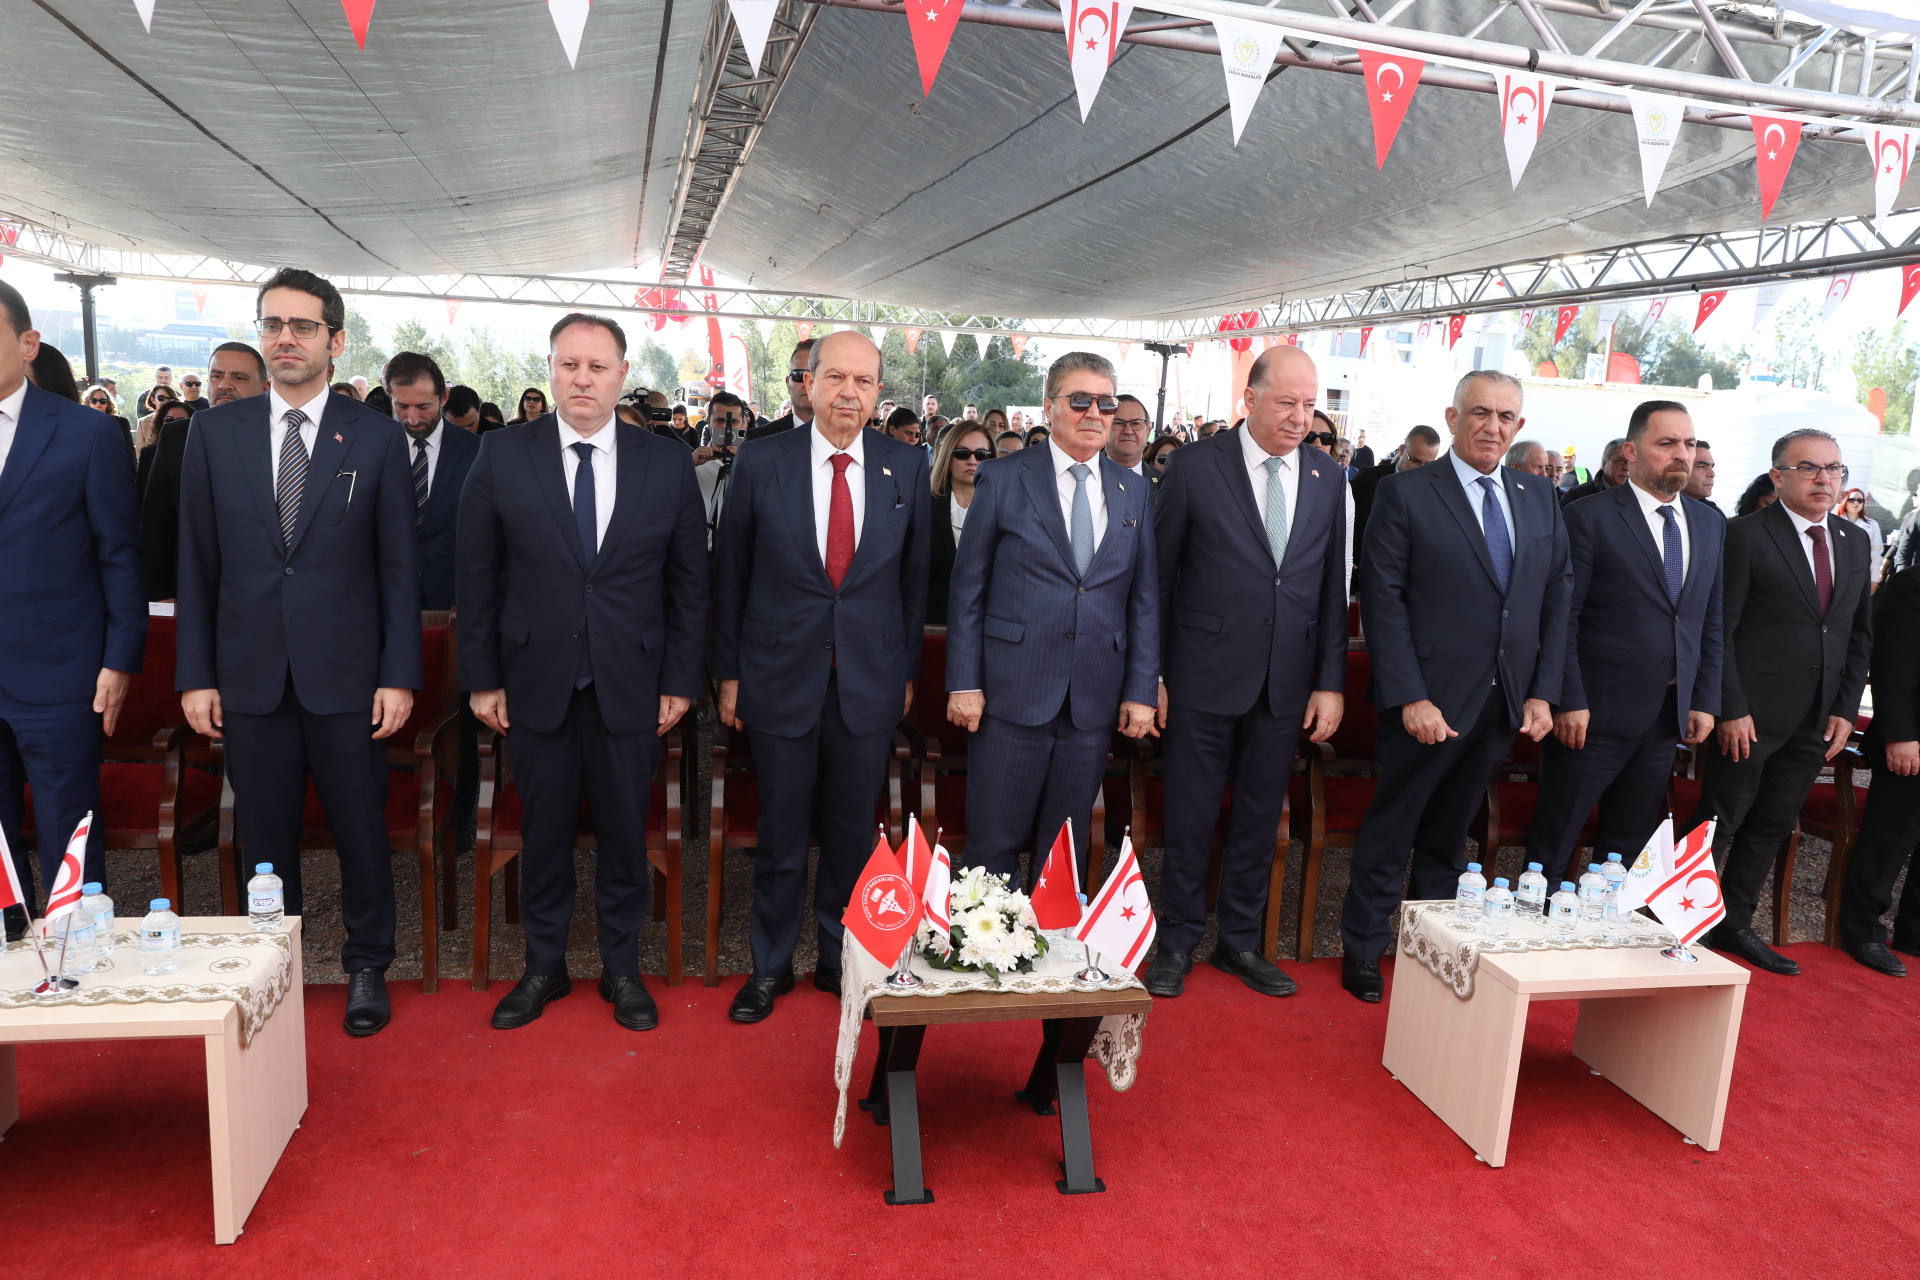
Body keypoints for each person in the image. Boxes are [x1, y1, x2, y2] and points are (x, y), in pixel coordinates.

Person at [175, 268, 421, 1037]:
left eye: (303, 326)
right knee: (264, 839)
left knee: (360, 830)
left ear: (334, 341)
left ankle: (367, 964)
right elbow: (196, 564)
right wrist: (195, 676)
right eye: (273, 324)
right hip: (249, 674)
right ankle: (270, 969)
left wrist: (399, 675)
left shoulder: (376, 437)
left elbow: (398, 570)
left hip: (348, 676)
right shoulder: (214, 434)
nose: (285, 338)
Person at [458, 313, 708, 1031]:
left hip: (632, 683)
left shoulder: (665, 462)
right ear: (550, 369)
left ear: (621, 375)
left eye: (597, 367)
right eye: (569, 365)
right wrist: (482, 677)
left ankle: (622, 969)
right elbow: (476, 575)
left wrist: (681, 680)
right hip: (535, 681)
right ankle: (545, 967)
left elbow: (690, 584)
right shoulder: (502, 454)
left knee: (627, 835)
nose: (582, 379)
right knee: (544, 834)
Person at [712, 331, 929, 1021]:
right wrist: (728, 673)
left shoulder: (906, 464)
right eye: (835, 377)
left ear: (878, 392)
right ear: (808, 383)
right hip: (777, 675)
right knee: (779, 833)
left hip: (868, 679)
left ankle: (840, 961)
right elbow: (730, 575)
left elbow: (914, 582)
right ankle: (770, 966)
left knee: (851, 833)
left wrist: (905, 671)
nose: (848, 393)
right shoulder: (761, 459)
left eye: (863, 381)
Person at [1339, 371, 1571, 1002]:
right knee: (1394, 827)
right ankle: (1363, 947)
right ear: (1453, 417)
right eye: (1480, 413)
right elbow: (1382, 598)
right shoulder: (1406, 492)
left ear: (1519, 426)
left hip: (1502, 699)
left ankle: (1429, 946)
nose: (1493, 427)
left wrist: (1541, 691)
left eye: (1505, 417)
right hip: (1427, 700)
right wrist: (1409, 695)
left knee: (1451, 833)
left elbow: (1557, 596)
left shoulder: (1538, 495)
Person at [1146, 347, 1350, 999]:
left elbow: (1330, 590)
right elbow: (1157, 581)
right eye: (1286, 403)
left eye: (1309, 405)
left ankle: (1239, 941)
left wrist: (1330, 682)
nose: (1300, 418)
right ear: (1251, 399)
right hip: (1201, 675)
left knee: (1260, 818)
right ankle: (1177, 940)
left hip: (1285, 681)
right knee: (1191, 814)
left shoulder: (1327, 477)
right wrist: (1152, 674)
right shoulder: (1194, 467)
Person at [946, 351, 1159, 890]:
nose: (1095, 413)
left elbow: (1143, 599)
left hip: (1092, 698)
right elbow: (968, 589)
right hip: (1011, 692)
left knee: (1063, 846)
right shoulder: (1002, 477)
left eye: (1106, 402)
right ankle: (985, 940)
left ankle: (1053, 941)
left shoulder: (1134, 488)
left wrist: (1140, 689)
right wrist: (964, 683)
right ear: (1049, 406)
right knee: (993, 843)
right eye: (1080, 400)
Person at [1686, 429, 1873, 976]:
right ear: (1778, 476)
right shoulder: (1744, 535)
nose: (1824, 479)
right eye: (1808, 467)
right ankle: (1675, 924)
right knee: (1718, 819)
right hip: (1750, 715)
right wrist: (1730, 707)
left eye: (1833, 468)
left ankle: (1734, 924)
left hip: (1817, 717)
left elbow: (1857, 634)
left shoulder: (1854, 539)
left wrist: (1844, 708)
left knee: (1772, 822)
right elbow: (1719, 630)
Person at [0, 281, 145, 943]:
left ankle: (75, 954)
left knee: (68, 829)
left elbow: (120, 554)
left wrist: (120, 658)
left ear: (28, 343)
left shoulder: (86, 432)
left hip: (60, 670)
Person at [1526, 402, 1724, 884]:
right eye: (1667, 443)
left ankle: (1603, 928)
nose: (1682, 454)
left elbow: (1710, 619)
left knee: (1625, 852)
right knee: (1554, 845)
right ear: (1632, 451)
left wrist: (1703, 698)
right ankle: (1536, 925)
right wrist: (1568, 698)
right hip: (1592, 714)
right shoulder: (1588, 516)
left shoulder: (1709, 522)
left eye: (1689, 443)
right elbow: (1562, 618)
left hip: (1665, 717)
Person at [1835, 563, 1920, 976]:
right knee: (1888, 840)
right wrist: (1900, 734)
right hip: (1912, 742)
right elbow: (1892, 665)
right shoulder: (1913, 583)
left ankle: (1914, 932)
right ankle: (1861, 927)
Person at [142, 343, 268, 601]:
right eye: (216, 376)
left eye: (239, 378)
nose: (224, 385)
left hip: (266, 591)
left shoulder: (285, 439)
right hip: (194, 589)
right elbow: (157, 521)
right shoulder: (177, 437)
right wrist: (161, 591)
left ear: (266, 387)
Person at [382, 352, 480, 611]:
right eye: (402, 406)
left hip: (455, 601)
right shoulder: (373, 448)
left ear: (444, 397)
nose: (412, 419)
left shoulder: (478, 453)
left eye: (423, 407)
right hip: (386, 601)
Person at [1351, 424, 1442, 573]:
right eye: (1415, 460)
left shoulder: (1434, 490)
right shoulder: (1368, 478)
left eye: (1428, 464)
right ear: (1402, 449)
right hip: (1363, 568)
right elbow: (1343, 517)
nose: (1420, 469)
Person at [928, 421, 994, 626]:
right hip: (933, 622)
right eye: (962, 453)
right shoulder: (922, 503)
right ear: (947, 456)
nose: (972, 461)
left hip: (988, 624)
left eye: (982, 454)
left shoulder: (1006, 507)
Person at [745, 339, 815, 440]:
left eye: (816, 375)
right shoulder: (758, 439)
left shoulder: (841, 436)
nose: (808, 383)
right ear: (788, 383)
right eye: (799, 375)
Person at [138, 400, 192, 496]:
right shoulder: (148, 453)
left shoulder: (199, 453)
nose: (174, 424)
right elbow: (141, 489)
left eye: (181, 420)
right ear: (161, 422)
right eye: (169, 419)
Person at [1561, 438, 1628, 506]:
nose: (1627, 468)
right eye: (1620, 461)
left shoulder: (1635, 497)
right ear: (1604, 464)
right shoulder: (1576, 497)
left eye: (1632, 462)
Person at [1838, 487, 1884, 564]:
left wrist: (1874, 571)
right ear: (1845, 501)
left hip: (1861, 568)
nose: (1856, 503)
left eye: (1860, 500)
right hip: (1838, 566)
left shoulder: (1872, 524)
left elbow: (1876, 553)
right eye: (1852, 500)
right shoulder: (1835, 522)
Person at [1106, 395, 1150, 475]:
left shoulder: (1162, 480)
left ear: (1148, 432)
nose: (1128, 431)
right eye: (1119, 423)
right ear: (1104, 429)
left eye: (1136, 423)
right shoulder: (1085, 476)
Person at [1686, 439, 1722, 514]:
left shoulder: (1714, 515)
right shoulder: (1665, 510)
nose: (1712, 474)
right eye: (1701, 467)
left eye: (1712, 467)